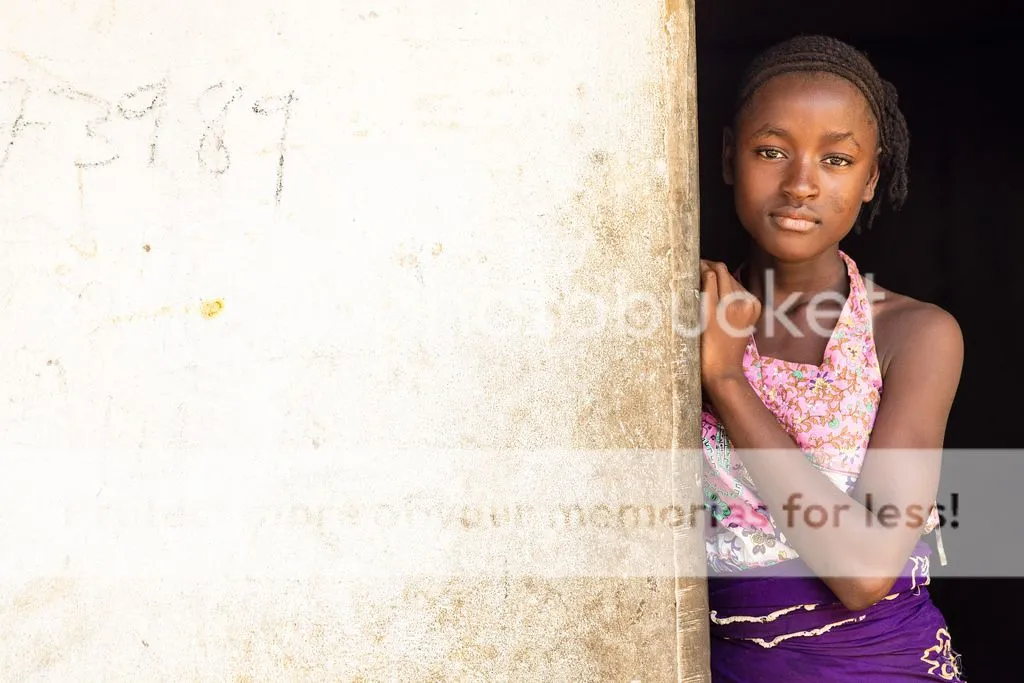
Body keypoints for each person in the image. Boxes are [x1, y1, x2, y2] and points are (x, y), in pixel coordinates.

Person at [699, 35, 966, 681]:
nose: (800, 184)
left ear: (872, 177)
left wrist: (728, 380)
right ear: (730, 155)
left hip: (881, 664)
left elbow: (865, 572)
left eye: (837, 159)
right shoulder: (683, 316)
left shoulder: (912, 334)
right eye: (771, 151)